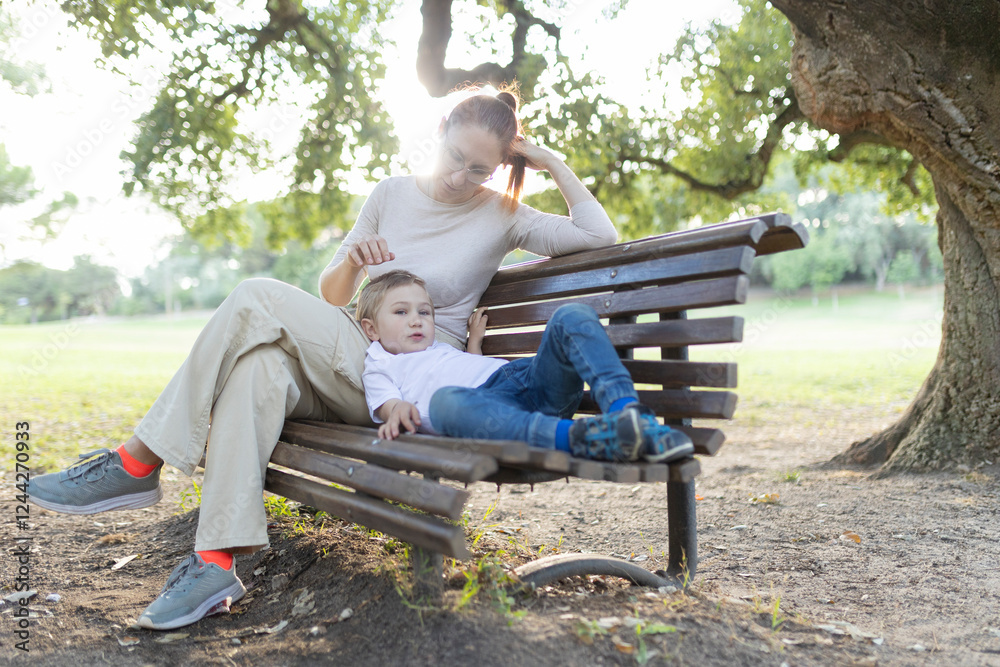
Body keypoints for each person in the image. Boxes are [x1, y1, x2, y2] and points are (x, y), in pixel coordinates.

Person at [25, 85, 620, 630]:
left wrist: (552, 163)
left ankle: (136, 461)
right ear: (439, 130)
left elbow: (600, 238)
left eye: (479, 168)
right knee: (257, 368)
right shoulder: (389, 193)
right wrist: (354, 261)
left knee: (255, 295)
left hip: (408, 380)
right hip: (352, 351)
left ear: (500, 167)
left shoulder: (504, 214)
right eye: (456, 156)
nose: (461, 177)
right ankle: (211, 561)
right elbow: (332, 298)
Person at [356, 270, 695, 462]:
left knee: (570, 316)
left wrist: (474, 344)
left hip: (527, 381)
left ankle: (628, 414)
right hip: (493, 415)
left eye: (424, 312)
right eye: (401, 312)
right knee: (446, 402)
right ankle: (585, 438)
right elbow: (386, 403)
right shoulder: (380, 363)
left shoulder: (439, 348)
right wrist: (397, 409)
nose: (416, 321)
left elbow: (470, 368)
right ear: (371, 329)